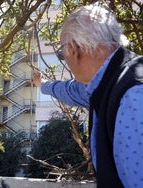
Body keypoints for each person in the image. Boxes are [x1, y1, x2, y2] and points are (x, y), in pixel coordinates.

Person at [31, 2, 143, 188]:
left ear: (73, 49)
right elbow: (71, 91)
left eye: (61, 53)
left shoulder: (132, 96)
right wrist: (42, 85)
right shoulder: (110, 81)